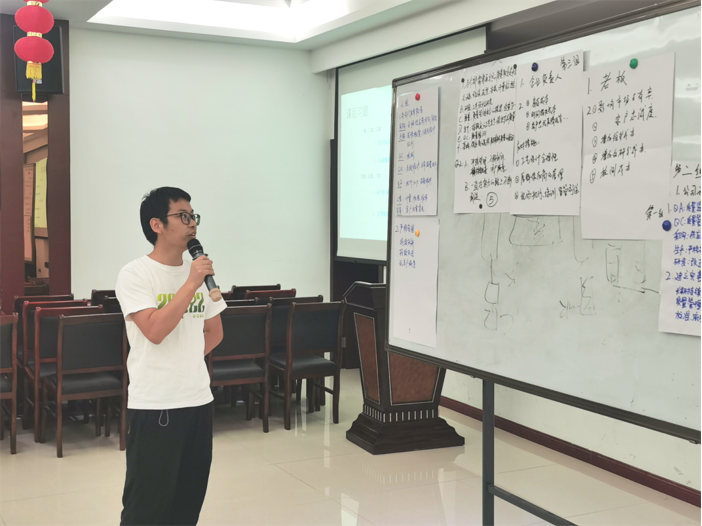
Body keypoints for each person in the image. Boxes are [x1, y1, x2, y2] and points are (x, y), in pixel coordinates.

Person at [116, 187, 225, 526]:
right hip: (155, 404)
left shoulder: (198, 274)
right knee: (146, 507)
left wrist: (184, 361)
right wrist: (191, 283)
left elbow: (215, 332)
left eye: (193, 216)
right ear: (157, 224)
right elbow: (154, 330)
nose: (192, 223)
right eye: (183, 216)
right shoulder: (135, 274)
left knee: (187, 503)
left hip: (198, 401)